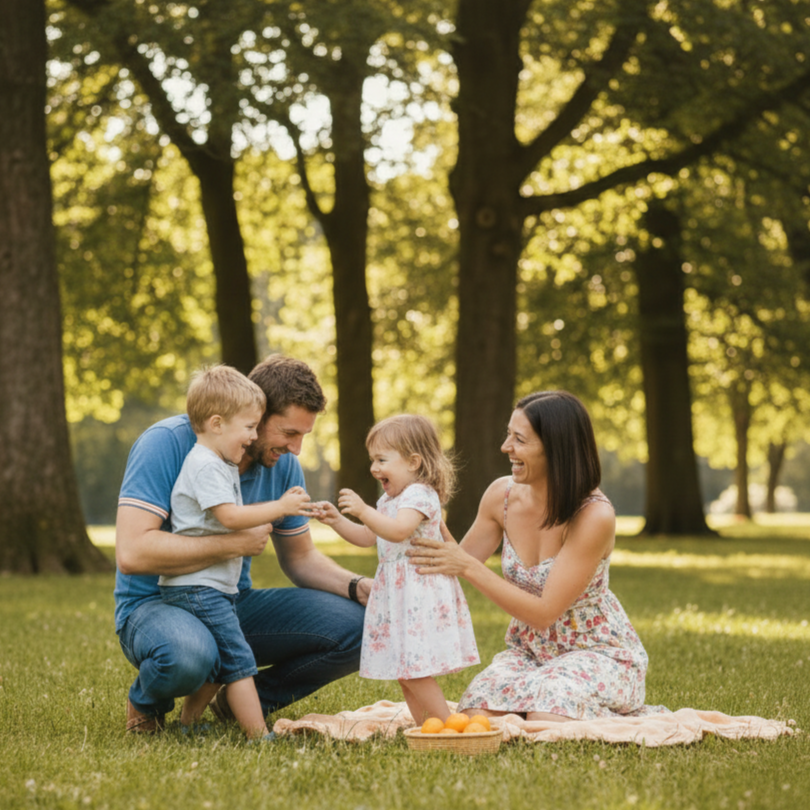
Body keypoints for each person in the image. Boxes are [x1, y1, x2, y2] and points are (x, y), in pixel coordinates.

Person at [116, 354, 372, 734]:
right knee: (190, 655)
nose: (297, 449)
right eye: (289, 433)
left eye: (304, 435)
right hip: (158, 603)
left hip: (229, 601)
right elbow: (133, 554)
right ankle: (146, 705)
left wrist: (358, 587)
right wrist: (233, 543)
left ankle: (241, 705)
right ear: (256, 412)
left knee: (366, 626)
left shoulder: (282, 465)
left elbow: (301, 559)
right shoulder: (167, 444)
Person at [408, 391, 658, 722]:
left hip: (597, 653)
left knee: (547, 718)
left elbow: (543, 613)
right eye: (508, 435)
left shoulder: (593, 516)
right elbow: (453, 562)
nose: (505, 447)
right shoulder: (502, 496)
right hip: (530, 652)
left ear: (555, 448)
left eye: (519, 439)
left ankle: (606, 713)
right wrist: (420, 509)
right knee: (477, 714)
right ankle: (543, 701)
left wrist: (467, 567)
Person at [159, 365, 313, 740]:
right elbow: (229, 517)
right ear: (216, 424)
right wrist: (280, 507)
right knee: (239, 662)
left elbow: (301, 557)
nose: (251, 435)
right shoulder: (205, 465)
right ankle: (259, 736)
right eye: (248, 427)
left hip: (213, 588)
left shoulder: (220, 462)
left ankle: (187, 725)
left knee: (216, 663)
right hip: (199, 588)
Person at [313, 414, 479, 725]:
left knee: (413, 670)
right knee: (405, 672)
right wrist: (337, 520)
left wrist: (363, 509)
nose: (374, 468)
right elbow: (367, 537)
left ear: (414, 462)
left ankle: (448, 728)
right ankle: (426, 727)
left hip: (419, 593)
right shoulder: (390, 500)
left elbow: (400, 531)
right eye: (372, 459)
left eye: (382, 459)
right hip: (399, 595)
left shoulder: (419, 494)